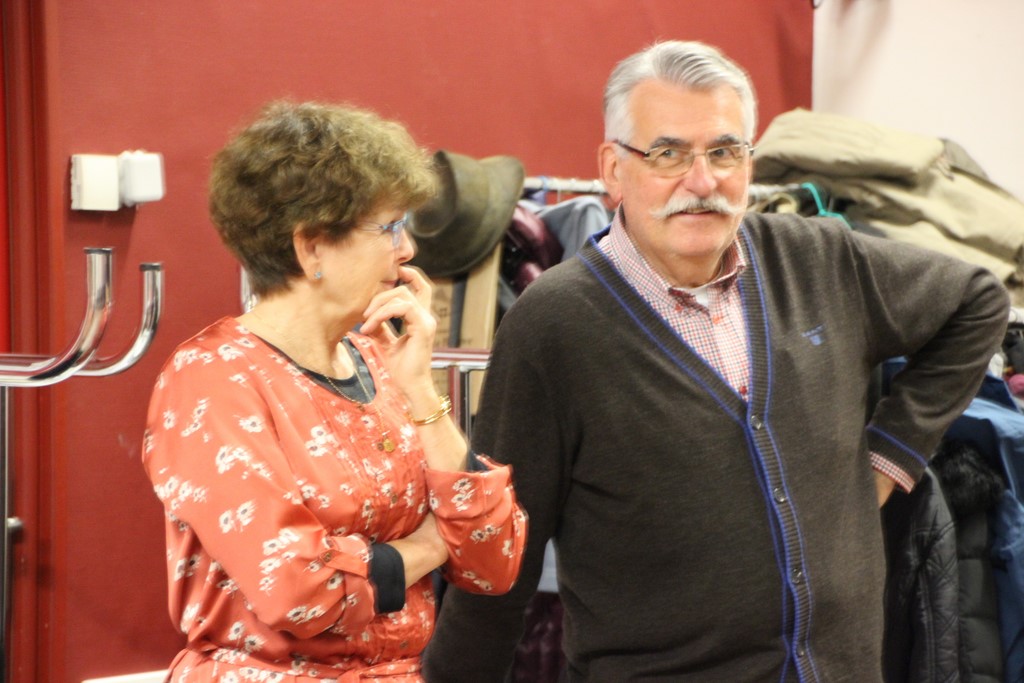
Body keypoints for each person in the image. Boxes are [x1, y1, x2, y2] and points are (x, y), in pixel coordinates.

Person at [423, 40, 1010, 682]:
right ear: (613, 170)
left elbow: (977, 302)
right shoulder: (553, 326)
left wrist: (890, 455)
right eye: (668, 154)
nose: (702, 182)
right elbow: (500, 561)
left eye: (725, 152)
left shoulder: (817, 259)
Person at [142, 101, 527, 682]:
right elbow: (299, 589)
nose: (407, 250)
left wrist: (421, 391)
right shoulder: (212, 378)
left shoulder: (380, 359)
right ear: (312, 247)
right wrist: (433, 544)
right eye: (389, 227)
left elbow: (494, 557)